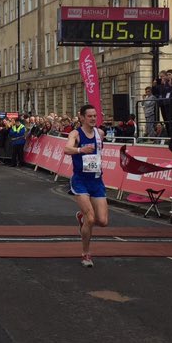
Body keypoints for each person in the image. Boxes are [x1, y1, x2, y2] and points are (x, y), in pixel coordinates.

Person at [64, 104, 108, 268]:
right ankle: (86, 253)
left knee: (102, 221)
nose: (93, 119)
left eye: (95, 116)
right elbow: (66, 149)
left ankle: (81, 218)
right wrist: (81, 150)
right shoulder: (76, 133)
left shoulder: (100, 133)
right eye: (90, 116)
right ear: (81, 117)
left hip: (96, 180)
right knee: (91, 218)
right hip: (80, 180)